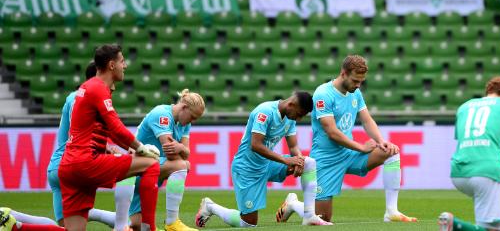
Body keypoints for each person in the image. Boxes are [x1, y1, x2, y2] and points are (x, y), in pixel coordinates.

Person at [278, 55, 416, 223]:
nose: (358, 85)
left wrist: (381, 141)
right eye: (355, 80)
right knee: (322, 219)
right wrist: (361, 147)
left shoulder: (355, 93)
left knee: (391, 151)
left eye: (361, 81)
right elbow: (332, 132)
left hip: (349, 155)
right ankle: (293, 204)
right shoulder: (323, 94)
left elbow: (366, 120)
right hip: (326, 159)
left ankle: (391, 211)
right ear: (343, 73)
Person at [9, 61, 133, 231]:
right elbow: (83, 132)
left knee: (64, 225)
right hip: (75, 163)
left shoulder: (76, 96)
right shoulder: (84, 96)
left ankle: (13, 218)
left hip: (56, 166)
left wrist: (106, 147)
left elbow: (83, 129)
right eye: (111, 82)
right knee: (130, 168)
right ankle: (123, 223)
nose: (113, 87)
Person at [58, 44, 162, 231]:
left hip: (69, 167)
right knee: (151, 164)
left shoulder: (87, 87)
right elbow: (116, 127)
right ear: (112, 65)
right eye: (123, 61)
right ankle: (148, 228)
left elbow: (103, 131)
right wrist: (140, 148)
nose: (126, 66)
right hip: (85, 162)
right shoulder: (98, 88)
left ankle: (17, 226)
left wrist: (124, 147)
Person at [195, 92, 331, 227]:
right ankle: (210, 207)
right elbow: (256, 145)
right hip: (247, 169)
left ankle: (307, 215)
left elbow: (293, 146)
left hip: (268, 164)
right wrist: (286, 161)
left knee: (309, 163)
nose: (299, 119)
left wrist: (300, 160)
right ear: (291, 104)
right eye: (300, 114)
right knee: (248, 223)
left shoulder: (290, 119)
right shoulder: (265, 112)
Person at [438, 76, 500, 231]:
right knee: (493, 229)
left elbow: (472, 144)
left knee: (485, 226)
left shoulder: (464, 107)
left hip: (458, 173)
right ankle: (455, 225)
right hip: (487, 173)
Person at [124, 90, 205, 231]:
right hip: (137, 169)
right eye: (192, 117)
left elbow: (186, 152)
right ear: (184, 107)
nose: (192, 121)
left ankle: (106, 219)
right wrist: (182, 152)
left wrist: (179, 147)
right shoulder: (162, 115)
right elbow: (174, 156)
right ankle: (172, 223)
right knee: (181, 165)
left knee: (138, 227)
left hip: (152, 169)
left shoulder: (185, 123)